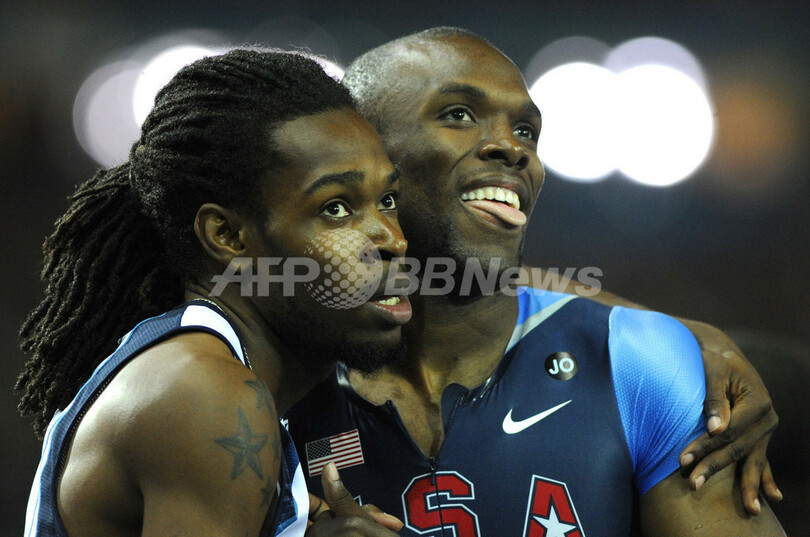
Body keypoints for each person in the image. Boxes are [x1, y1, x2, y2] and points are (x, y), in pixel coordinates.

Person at [285, 28, 785, 535]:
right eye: (458, 114)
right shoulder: (268, 376)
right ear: (357, 149)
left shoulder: (636, 361)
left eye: (526, 130)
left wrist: (676, 333)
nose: (511, 147)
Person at [18, 49, 409, 537]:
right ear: (227, 237)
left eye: (387, 200)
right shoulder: (207, 397)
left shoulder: (190, 369)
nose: (392, 240)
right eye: (336, 208)